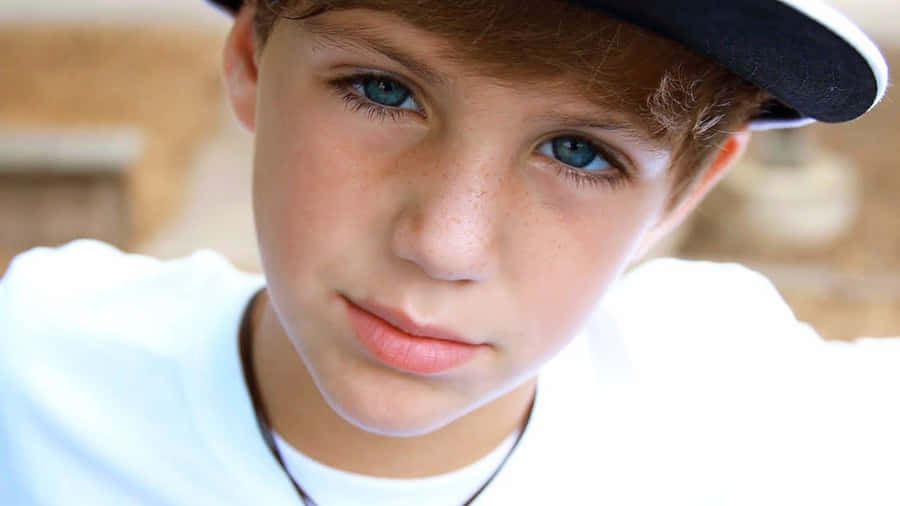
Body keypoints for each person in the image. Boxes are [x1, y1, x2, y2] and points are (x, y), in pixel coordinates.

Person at [1, 0, 897, 504]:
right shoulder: (35, 380)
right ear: (248, 61)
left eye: (583, 152)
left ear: (686, 193)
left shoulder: (748, 414)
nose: (444, 245)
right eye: (383, 89)